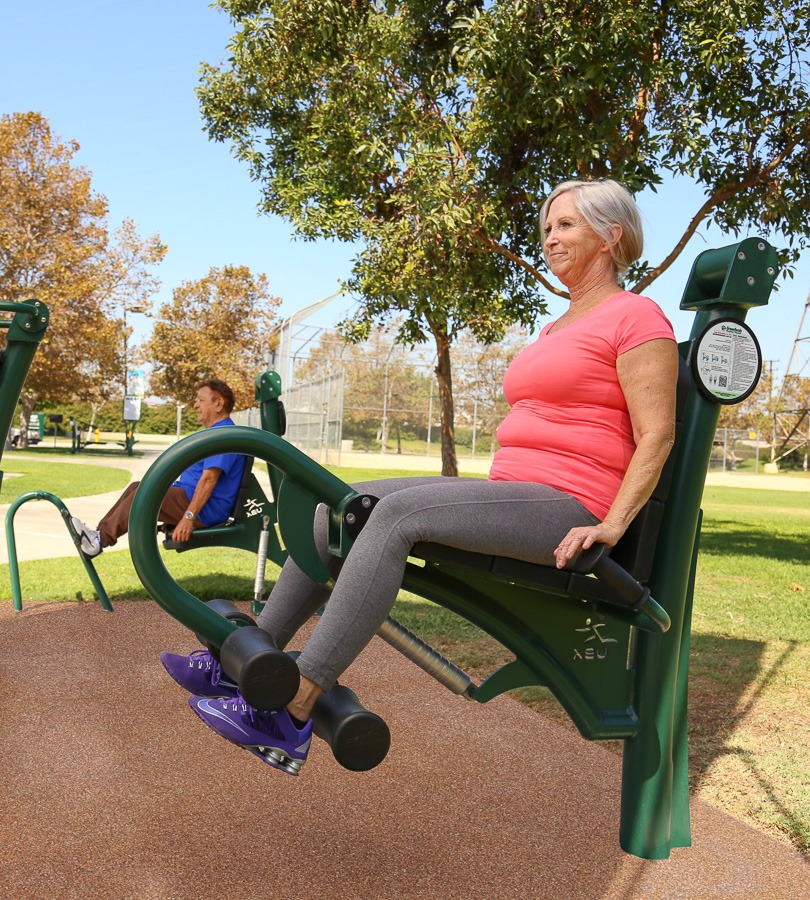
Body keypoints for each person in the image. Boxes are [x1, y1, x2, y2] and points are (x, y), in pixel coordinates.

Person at [164, 179, 679, 776]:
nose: (550, 239)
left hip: (569, 505)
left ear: (612, 235)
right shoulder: (560, 325)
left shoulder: (637, 316)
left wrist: (612, 524)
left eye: (565, 225)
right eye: (546, 228)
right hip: (516, 492)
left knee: (395, 518)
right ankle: (241, 661)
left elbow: (658, 434)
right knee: (336, 506)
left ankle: (293, 711)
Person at [71, 380, 245, 558]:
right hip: (188, 497)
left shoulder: (224, 435)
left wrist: (188, 518)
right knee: (137, 487)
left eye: (201, 400)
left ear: (218, 403)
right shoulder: (217, 433)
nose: (195, 405)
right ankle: (98, 535)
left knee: (143, 496)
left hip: (206, 509)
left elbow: (209, 480)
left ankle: (98, 541)